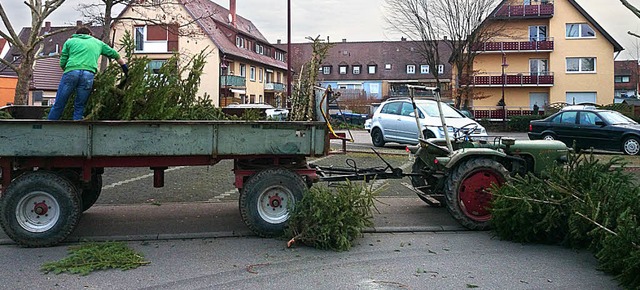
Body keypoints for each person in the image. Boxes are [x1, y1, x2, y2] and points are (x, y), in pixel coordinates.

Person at [48, 26, 128, 120]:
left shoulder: (70, 41)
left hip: (71, 72)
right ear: (90, 34)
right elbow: (116, 55)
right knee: (80, 105)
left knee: (59, 103)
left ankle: (49, 126)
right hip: (88, 74)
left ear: (77, 34)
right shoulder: (98, 42)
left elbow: (62, 62)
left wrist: (68, 70)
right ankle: (78, 127)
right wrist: (125, 69)